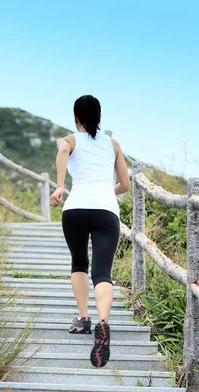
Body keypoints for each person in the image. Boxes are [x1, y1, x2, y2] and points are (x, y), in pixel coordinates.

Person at [50, 94, 131, 368]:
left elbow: (62, 152)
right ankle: (103, 323)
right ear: (99, 117)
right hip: (106, 212)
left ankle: (84, 318)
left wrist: (60, 186)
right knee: (102, 273)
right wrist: (106, 193)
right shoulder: (113, 144)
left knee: (79, 264)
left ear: (76, 118)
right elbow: (125, 184)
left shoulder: (69, 140)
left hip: (75, 210)